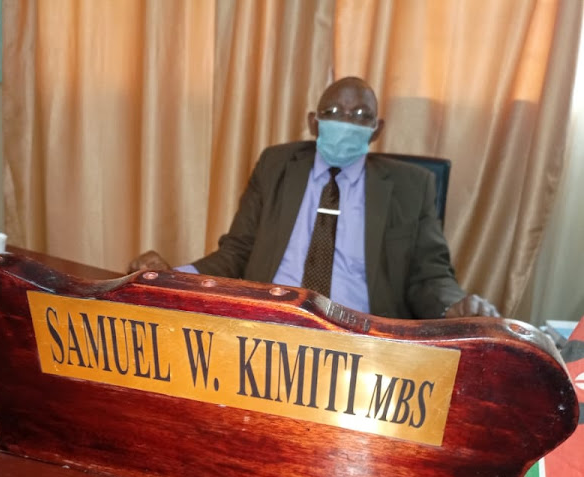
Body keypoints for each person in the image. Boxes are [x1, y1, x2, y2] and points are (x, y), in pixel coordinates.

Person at [128, 76, 499, 320]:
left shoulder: (411, 186)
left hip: (360, 334)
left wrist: (455, 305)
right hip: (270, 322)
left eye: (360, 115)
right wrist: (173, 276)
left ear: (376, 130)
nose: (346, 122)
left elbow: (429, 275)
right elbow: (237, 253)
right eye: (334, 112)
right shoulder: (276, 165)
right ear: (313, 122)